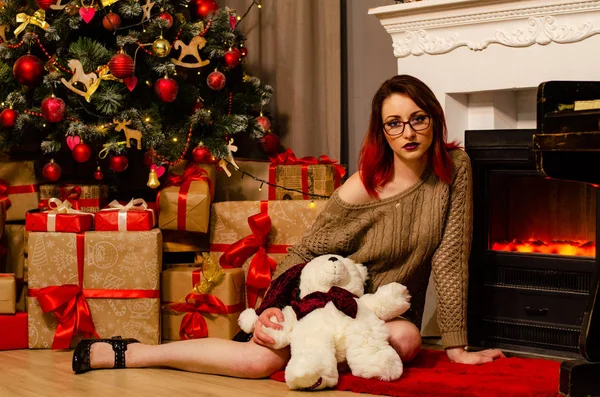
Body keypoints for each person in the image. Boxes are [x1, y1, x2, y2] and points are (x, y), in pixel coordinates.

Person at [72, 74, 505, 377]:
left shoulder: (455, 167)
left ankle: (312, 358)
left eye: (418, 118)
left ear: (434, 118)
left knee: (407, 338)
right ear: (382, 131)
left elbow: (450, 258)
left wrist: (455, 346)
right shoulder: (362, 189)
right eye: (395, 123)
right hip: (326, 300)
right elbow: (304, 252)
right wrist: (270, 308)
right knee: (259, 364)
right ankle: (133, 353)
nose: (408, 131)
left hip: (382, 312)